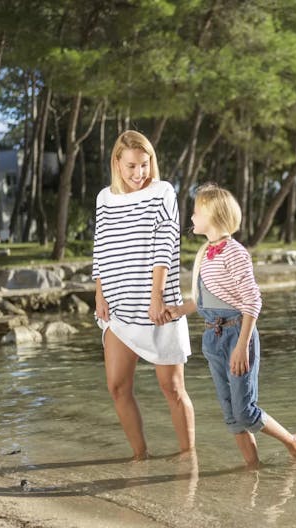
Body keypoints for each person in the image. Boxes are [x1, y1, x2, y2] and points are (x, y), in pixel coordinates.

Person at [166, 183, 296, 468]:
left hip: (236, 336)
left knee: (245, 412)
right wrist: (180, 309)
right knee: (231, 415)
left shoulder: (235, 252)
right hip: (212, 337)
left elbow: (252, 302)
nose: (191, 218)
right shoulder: (205, 254)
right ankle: (252, 469)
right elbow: (207, 298)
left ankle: (293, 442)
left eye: (196, 212)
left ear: (213, 215)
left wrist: (242, 345)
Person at [93, 130, 195, 461]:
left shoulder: (162, 192)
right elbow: (101, 248)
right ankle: (141, 457)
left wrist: (156, 298)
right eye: (132, 166)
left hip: (157, 306)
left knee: (173, 389)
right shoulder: (103, 198)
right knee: (117, 387)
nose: (139, 173)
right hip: (117, 306)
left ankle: (187, 458)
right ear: (117, 164)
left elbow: (165, 247)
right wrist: (99, 293)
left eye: (145, 164)